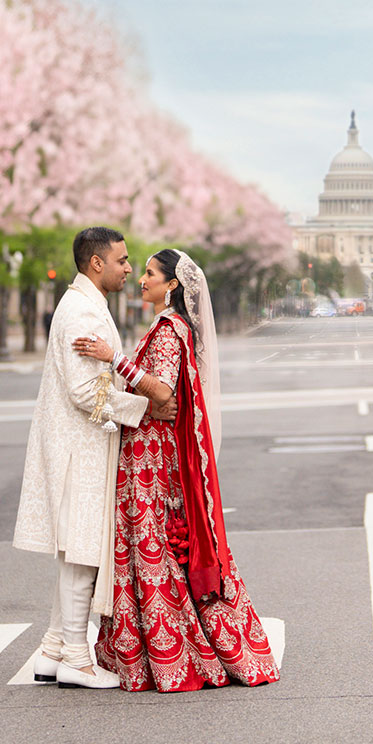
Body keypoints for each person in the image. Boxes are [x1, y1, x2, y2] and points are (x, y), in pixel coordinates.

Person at [73, 248, 279, 692]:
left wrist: (114, 358)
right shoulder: (166, 326)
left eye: (149, 273)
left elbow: (162, 390)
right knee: (151, 549)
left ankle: (174, 657)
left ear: (171, 285)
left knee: (153, 549)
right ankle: (158, 654)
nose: (140, 278)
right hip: (146, 453)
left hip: (151, 462)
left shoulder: (169, 329)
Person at [12, 227, 177, 690]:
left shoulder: (83, 304)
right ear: (96, 263)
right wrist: (147, 407)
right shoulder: (83, 310)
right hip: (78, 449)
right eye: (123, 261)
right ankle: (78, 661)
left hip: (78, 444)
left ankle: (52, 651)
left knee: (76, 555)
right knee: (83, 555)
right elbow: (85, 391)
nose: (130, 268)